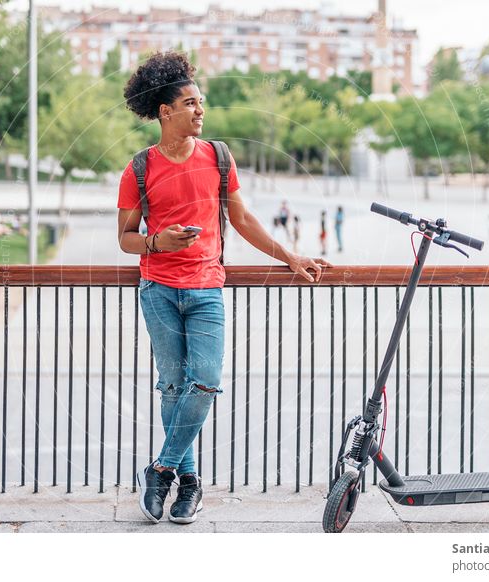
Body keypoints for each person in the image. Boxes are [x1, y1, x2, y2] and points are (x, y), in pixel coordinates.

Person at [117, 51, 331, 525]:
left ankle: (162, 469)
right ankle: (188, 485)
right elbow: (126, 239)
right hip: (158, 290)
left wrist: (290, 256)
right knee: (172, 385)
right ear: (165, 112)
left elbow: (244, 218)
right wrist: (158, 241)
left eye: (202, 102)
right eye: (190, 103)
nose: (200, 110)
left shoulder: (218, 157)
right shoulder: (138, 169)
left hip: (207, 289)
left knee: (206, 380)